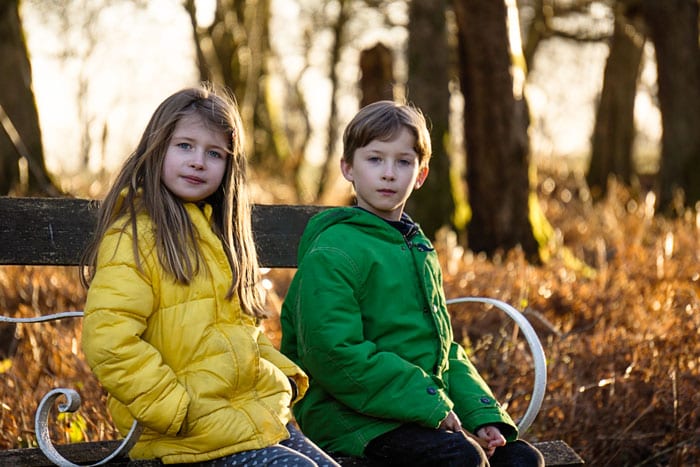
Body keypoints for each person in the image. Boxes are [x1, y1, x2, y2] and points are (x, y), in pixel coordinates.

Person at [80, 85, 339, 466]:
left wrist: (281, 375)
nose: (198, 161)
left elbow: (242, 333)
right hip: (186, 436)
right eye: (184, 146)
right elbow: (108, 340)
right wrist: (174, 407)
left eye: (214, 153)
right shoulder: (135, 237)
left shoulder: (221, 237)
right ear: (156, 148)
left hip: (246, 418)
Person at [280, 100, 545, 466]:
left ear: (420, 175)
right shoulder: (333, 250)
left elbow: (443, 350)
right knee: (461, 458)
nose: (388, 173)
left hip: (417, 408)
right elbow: (332, 352)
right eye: (375, 160)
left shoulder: (416, 248)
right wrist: (429, 403)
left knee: (521, 459)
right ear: (348, 168)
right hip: (350, 418)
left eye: (403, 162)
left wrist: (481, 415)